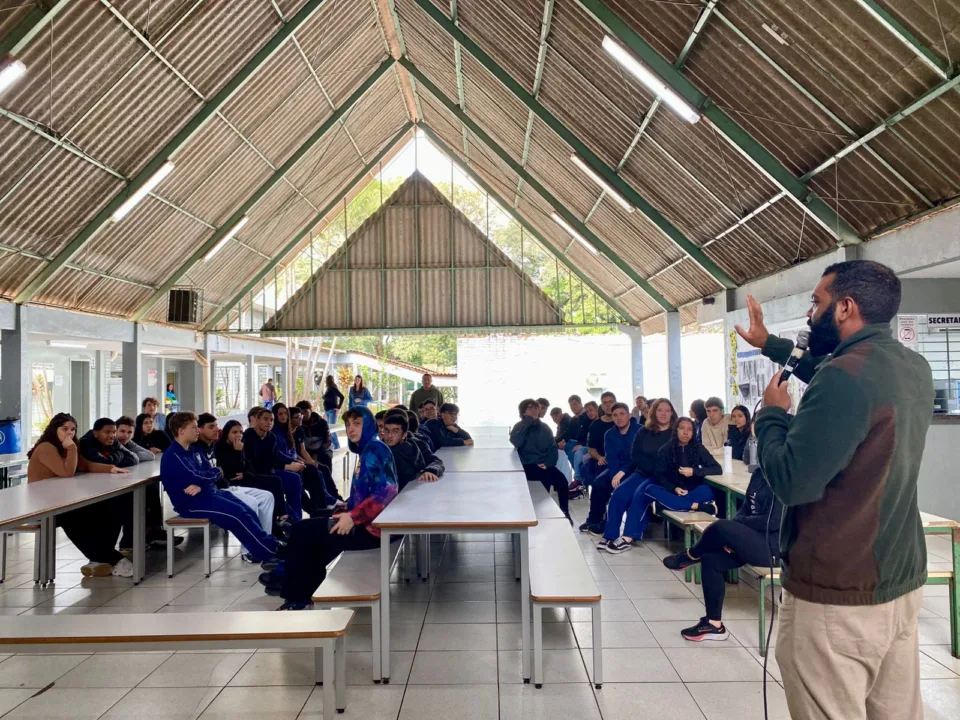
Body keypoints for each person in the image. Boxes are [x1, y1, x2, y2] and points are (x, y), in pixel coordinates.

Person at [739, 260, 932, 719]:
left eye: (816, 302)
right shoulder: (911, 365)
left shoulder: (844, 376)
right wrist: (770, 344)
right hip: (898, 582)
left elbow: (792, 482)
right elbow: (839, 379)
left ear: (845, 307)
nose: (810, 314)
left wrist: (771, 417)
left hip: (838, 595)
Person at [260, 407, 399, 610]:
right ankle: (298, 589)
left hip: (373, 530)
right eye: (348, 424)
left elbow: (387, 491)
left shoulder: (375, 449)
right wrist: (347, 508)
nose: (351, 429)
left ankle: (296, 596)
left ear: (368, 425)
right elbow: (367, 492)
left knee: (302, 532)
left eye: (357, 423)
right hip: (366, 523)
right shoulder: (368, 449)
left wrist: (352, 517)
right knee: (310, 534)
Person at [663, 459, 782, 641]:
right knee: (711, 559)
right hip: (752, 538)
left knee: (720, 526)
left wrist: (738, 526)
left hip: (772, 550)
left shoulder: (785, 482)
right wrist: (734, 535)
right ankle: (714, 625)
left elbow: (772, 522)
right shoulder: (759, 473)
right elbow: (746, 507)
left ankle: (690, 555)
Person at [161, 412, 282, 564]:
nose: (198, 430)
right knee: (237, 514)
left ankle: (269, 546)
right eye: (194, 428)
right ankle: (269, 552)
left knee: (247, 510)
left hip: (209, 493)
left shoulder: (192, 450)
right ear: (181, 431)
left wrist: (207, 478)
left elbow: (214, 472)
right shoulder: (174, 455)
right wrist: (210, 476)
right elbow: (202, 476)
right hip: (191, 503)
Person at [26, 413, 135, 578]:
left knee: (111, 505)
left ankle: (99, 559)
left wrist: (111, 468)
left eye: (73, 429)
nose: (69, 433)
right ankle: (113, 558)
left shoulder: (66, 447)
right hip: (42, 508)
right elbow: (67, 472)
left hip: (60, 501)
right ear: (54, 429)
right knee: (73, 516)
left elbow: (86, 465)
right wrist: (71, 448)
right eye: (65, 429)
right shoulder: (46, 447)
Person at [592, 399, 675, 551]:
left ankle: (628, 537)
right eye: (659, 410)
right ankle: (610, 535)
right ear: (654, 412)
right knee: (619, 493)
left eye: (667, 410)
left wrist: (657, 470)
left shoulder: (675, 433)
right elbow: (635, 454)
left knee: (639, 495)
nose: (663, 414)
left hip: (662, 476)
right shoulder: (645, 431)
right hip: (642, 472)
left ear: (672, 413)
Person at [194, 413, 277, 562]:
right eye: (211, 427)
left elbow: (245, 469)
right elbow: (223, 471)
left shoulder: (212, 446)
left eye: (216, 426)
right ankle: (249, 551)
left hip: (226, 486)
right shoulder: (200, 449)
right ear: (200, 429)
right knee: (251, 501)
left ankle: (264, 543)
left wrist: (237, 459)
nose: (216, 430)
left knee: (267, 496)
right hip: (217, 490)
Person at [579, 401, 641, 538]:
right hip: (616, 469)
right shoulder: (609, 434)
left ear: (629, 415)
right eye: (615, 415)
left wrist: (621, 475)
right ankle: (595, 519)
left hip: (636, 470)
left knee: (623, 489)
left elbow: (638, 458)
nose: (619, 418)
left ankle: (611, 524)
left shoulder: (640, 431)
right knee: (599, 483)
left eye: (622, 414)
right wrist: (615, 477)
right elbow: (611, 459)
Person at [215, 419, 289, 530]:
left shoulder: (240, 445)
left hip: (245, 478)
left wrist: (244, 472)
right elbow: (233, 470)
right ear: (227, 433)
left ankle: (281, 517)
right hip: (232, 483)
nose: (239, 435)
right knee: (271, 486)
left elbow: (248, 467)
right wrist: (238, 452)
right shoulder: (221, 448)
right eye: (234, 432)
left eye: (240, 432)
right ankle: (280, 519)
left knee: (275, 481)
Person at [643, 417, 720, 517]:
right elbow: (659, 476)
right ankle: (696, 506)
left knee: (707, 490)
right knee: (650, 489)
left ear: (693, 432)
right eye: (682, 428)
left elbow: (716, 468)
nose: (686, 432)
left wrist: (694, 471)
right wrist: (674, 488)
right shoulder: (665, 450)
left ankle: (664, 505)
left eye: (690, 429)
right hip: (672, 491)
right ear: (676, 430)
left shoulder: (698, 448)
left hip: (693, 490)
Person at [510, 399, 570, 521]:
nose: (534, 411)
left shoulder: (545, 428)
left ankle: (565, 512)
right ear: (523, 412)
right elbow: (517, 442)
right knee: (544, 479)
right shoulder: (519, 427)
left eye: (536, 408)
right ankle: (541, 514)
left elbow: (553, 449)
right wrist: (527, 423)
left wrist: (548, 464)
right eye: (530, 408)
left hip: (545, 464)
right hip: (528, 464)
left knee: (562, 481)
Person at [243, 408, 304, 521]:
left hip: (269, 472)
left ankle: (297, 517)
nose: (269, 422)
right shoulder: (248, 436)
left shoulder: (271, 437)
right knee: (276, 483)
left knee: (295, 478)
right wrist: (287, 466)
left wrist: (292, 462)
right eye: (265, 419)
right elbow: (250, 461)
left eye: (271, 420)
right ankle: (292, 519)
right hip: (254, 474)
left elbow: (276, 457)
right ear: (257, 420)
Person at [273, 403, 331, 514]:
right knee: (301, 476)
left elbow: (294, 451)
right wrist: (294, 462)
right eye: (280, 414)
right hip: (283, 466)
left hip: (292, 463)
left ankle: (321, 506)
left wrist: (302, 462)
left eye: (285, 413)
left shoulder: (287, 431)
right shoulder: (274, 433)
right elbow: (278, 454)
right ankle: (315, 510)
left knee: (316, 469)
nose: (283, 416)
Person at [291, 405, 342, 504]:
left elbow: (326, 441)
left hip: (322, 449)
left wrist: (312, 460)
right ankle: (324, 501)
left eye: (302, 415)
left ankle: (334, 496)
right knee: (315, 471)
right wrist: (308, 462)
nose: (302, 417)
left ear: (310, 410)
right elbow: (294, 453)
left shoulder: (320, 423)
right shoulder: (291, 431)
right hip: (296, 460)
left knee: (324, 464)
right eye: (297, 417)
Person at [382, 411, 444, 490]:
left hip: (416, 489)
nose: (389, 435)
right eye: (387, 431)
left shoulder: (418, 446)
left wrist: (430, 471)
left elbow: (436, 461)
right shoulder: (377, 450)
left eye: (395, 432)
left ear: (404, 435)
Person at [580, 392, 616, 487]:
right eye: (605, 403)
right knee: (585, 469)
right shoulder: (595, 425)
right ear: (602, 406)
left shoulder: (622, 422)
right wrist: (599, 457)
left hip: (621, 460)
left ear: (615, 403)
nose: (608, 405)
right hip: (601, 459)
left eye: (611, 402)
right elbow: (591, 449)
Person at [322, 375, 344, 444]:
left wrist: (338, 408)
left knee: (332, 430)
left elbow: (342, 397)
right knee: (330, 429)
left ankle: (337, 446)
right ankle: (333, 446)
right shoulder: (328, 389)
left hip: (332, 411)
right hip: (327, 410)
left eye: (326, 380)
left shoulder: (333, 388)